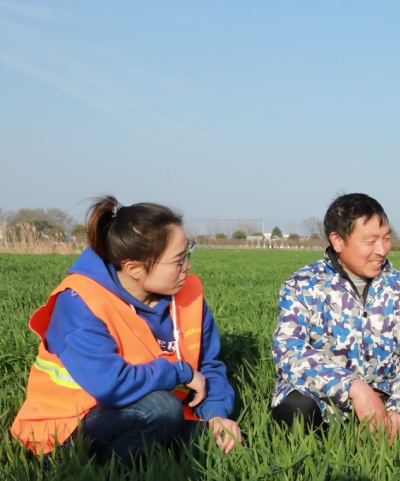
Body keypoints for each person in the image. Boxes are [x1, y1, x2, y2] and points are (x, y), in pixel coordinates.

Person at [11, 196, 242, 464]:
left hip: (142, 413)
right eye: (178, 260)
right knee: (161, 409)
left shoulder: (188, 295)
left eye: (187, 253)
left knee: (219, 440)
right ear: (133, 268)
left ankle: (146, 463)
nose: (187, 267)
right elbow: (112, 386)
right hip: (66, 427)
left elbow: (209, 365)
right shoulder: (80, 302)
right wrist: (180, 372)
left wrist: (216, 415)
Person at [271, 193, 400, 438]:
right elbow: (289, 351)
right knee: (296, 410)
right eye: (370, 241)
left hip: (385, 395)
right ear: (338, 241)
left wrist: (398, 414)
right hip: (323, 397)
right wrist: (354, 388)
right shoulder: (302, 284)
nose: (382, 249)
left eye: (386, 238)